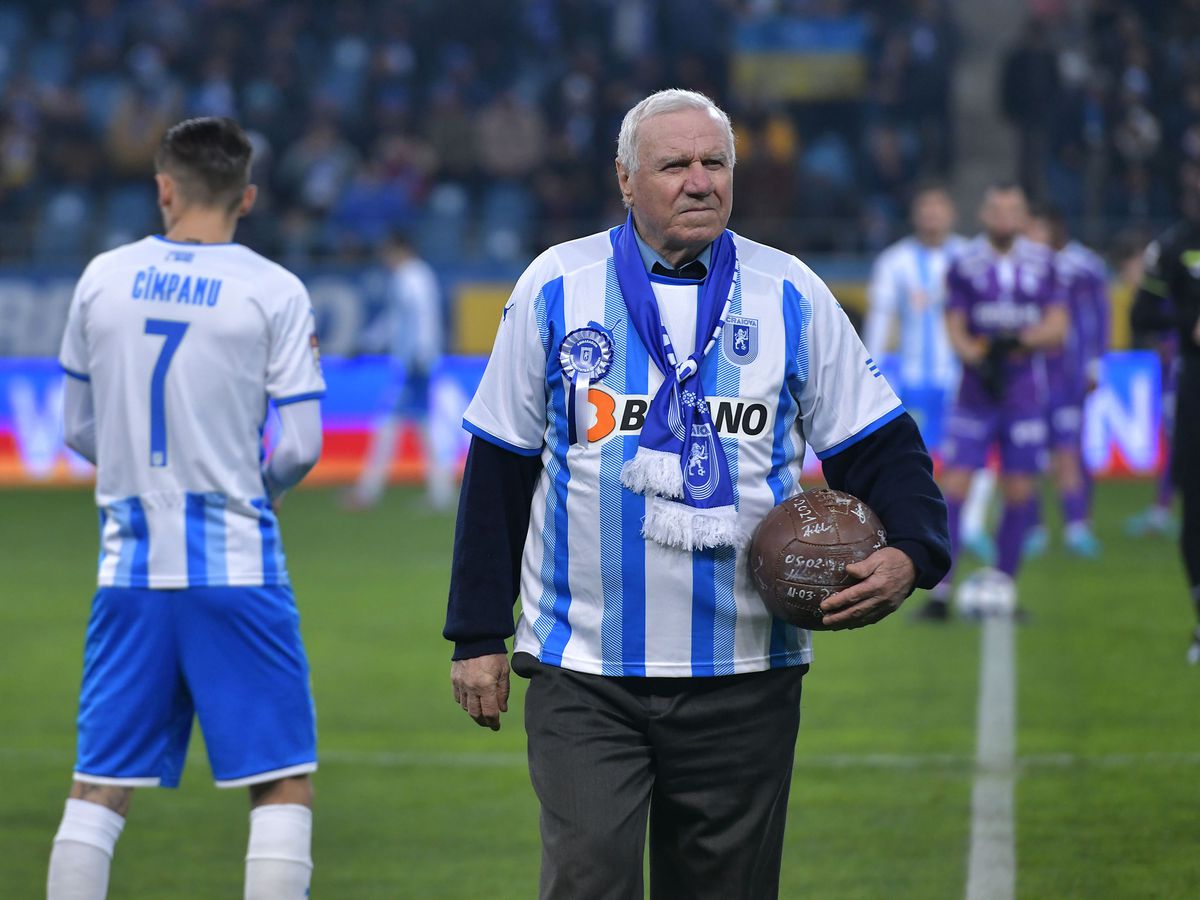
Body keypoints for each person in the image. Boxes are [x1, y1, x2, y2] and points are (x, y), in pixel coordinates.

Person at [444, 89, 950, 899]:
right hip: (587, 667)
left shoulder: (790, 291)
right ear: (625, 180)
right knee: (588, 880)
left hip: (748, 669)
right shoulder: (555, 285)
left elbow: (881, 446)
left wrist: (914, 553)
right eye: (674, 164)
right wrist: (476, 633)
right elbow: (500, 468)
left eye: (715, 162)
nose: (699, 180)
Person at [50, 117, 324, 900]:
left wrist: (140, 474)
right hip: (235, 563)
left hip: (128, 570)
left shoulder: (102, 277)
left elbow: (74, 426)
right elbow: (301, 445)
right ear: (248, 196)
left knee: (98, 786)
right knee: (279, 783)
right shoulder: (273, 288)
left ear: (163, 188)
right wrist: (251, 490)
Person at [918, 182, 1067, 619]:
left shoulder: (1045, 264)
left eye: (1012, 209)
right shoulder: (965, 264)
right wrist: (979, 357)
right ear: (984, 215)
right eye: (996, 209)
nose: (1004, 217)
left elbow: (1058, 326)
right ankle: (941, 592)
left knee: (1020, 489)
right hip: (975, 391)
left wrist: (1015, 341)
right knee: (955, 486)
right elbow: (956, 326)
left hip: (1024, 393)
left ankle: (1003, 584)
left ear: (1023, 217)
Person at [864, 183, 997, 566]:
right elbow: (881, 320)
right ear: (916, 214)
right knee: (911, 460)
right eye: (926, 208)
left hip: (962, 378)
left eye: (939, 207)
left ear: (951, 213)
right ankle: (910, 527)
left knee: (973, 456)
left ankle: (970, 527)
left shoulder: (971, 257)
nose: (932, 215)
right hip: (913, 381)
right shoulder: (895, 261)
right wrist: (873, 371)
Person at [1130, 163, 1200, 663]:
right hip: (1196, 387)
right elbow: (1141, 314)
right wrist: (1189, 322)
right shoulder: (1176, 246)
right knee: (1195, 509)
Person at [1023, 206, 1109, 558]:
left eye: (1036, 231)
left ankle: (1077, 526)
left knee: (1067, 450)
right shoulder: (1021, 269)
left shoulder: (1083, 266)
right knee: (1028, 453)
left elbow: (1097, 318)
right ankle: (1034, 527)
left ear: (1054, 232)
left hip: (1066, 374)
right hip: (1026, 376)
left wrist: (1095, 364)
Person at [348, 231, 453, 510]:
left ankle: (367, 492)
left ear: (400, 249)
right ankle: (439, 492)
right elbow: (400, 321)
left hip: (414, 365)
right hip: (418, 363)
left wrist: (418, 357)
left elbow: (417, 321)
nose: (385, 259)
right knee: (422, 427)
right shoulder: (418, 276)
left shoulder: (411, 278)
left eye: (387, 253)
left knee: (388, 425)